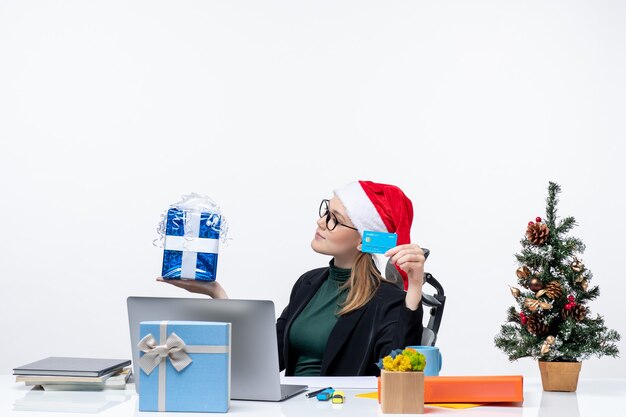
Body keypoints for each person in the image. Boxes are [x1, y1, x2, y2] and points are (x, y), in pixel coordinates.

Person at [158, 180, 426, 376]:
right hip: (289, 408)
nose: (321, 222)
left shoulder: (386, 299)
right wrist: (216, 293)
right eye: (325, 212)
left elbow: (397, 372)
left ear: (364, 240)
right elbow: (267, 358)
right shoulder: (309, 283)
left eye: (335, 219)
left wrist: (414, 289)